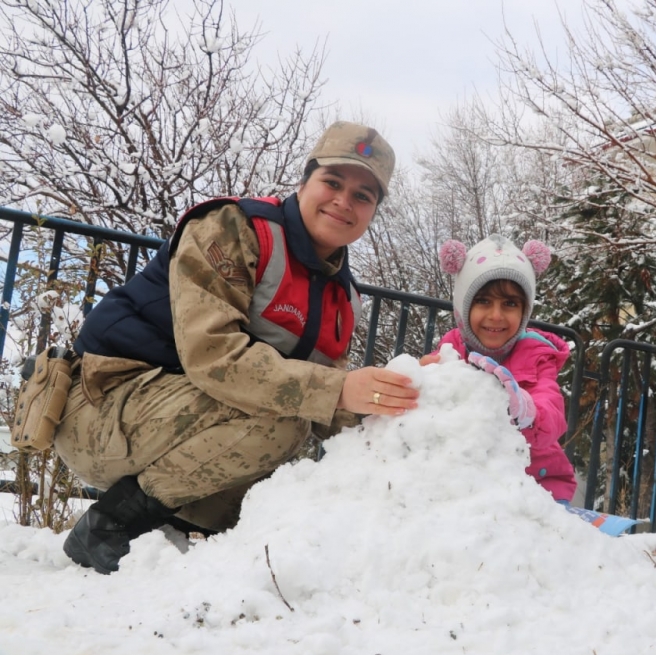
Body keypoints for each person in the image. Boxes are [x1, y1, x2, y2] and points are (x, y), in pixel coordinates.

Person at [54, 121, 420, 574]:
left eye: (363, 196)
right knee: (285, 425)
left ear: (372, 213)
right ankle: (109, 527)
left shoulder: (344, 300)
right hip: (101, 404)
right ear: (304, 182)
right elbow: (212, 355)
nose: (344, 201)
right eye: (333, 182)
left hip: (174, 420)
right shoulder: (234, 228)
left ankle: (185, 537)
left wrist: (406, 402)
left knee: (287, 475)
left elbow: (332, 405)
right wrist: (339, 390)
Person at [425, 235, 577, 503]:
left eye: (509, 304)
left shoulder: (536, 354)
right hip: (470, 483)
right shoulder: (451, 350)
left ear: (524, 311)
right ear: (463, 306)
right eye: (483, 301)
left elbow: (552, 410)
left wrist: (527, 411)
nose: (496, 315)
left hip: (538, 485)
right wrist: (418, 382)